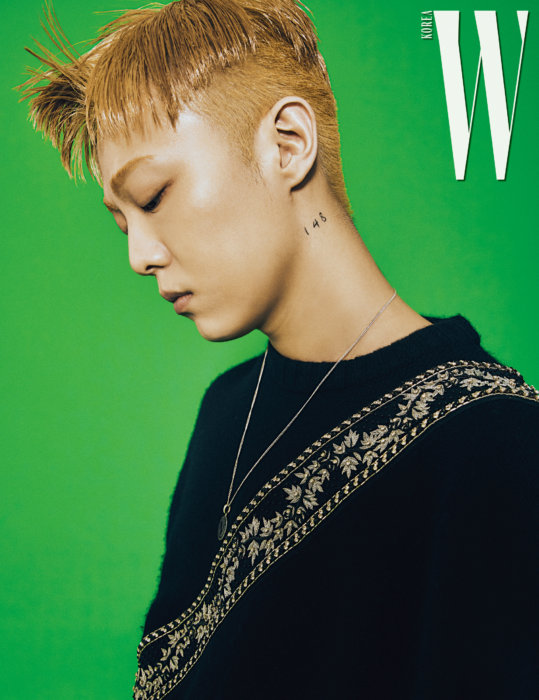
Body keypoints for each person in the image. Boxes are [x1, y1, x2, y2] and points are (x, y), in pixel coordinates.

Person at [17, 1, 538, 698]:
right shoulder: (227, 410)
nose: (139, 255)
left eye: (155, 195)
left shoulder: (496, 442)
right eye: (122, 223)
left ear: (288, 144)